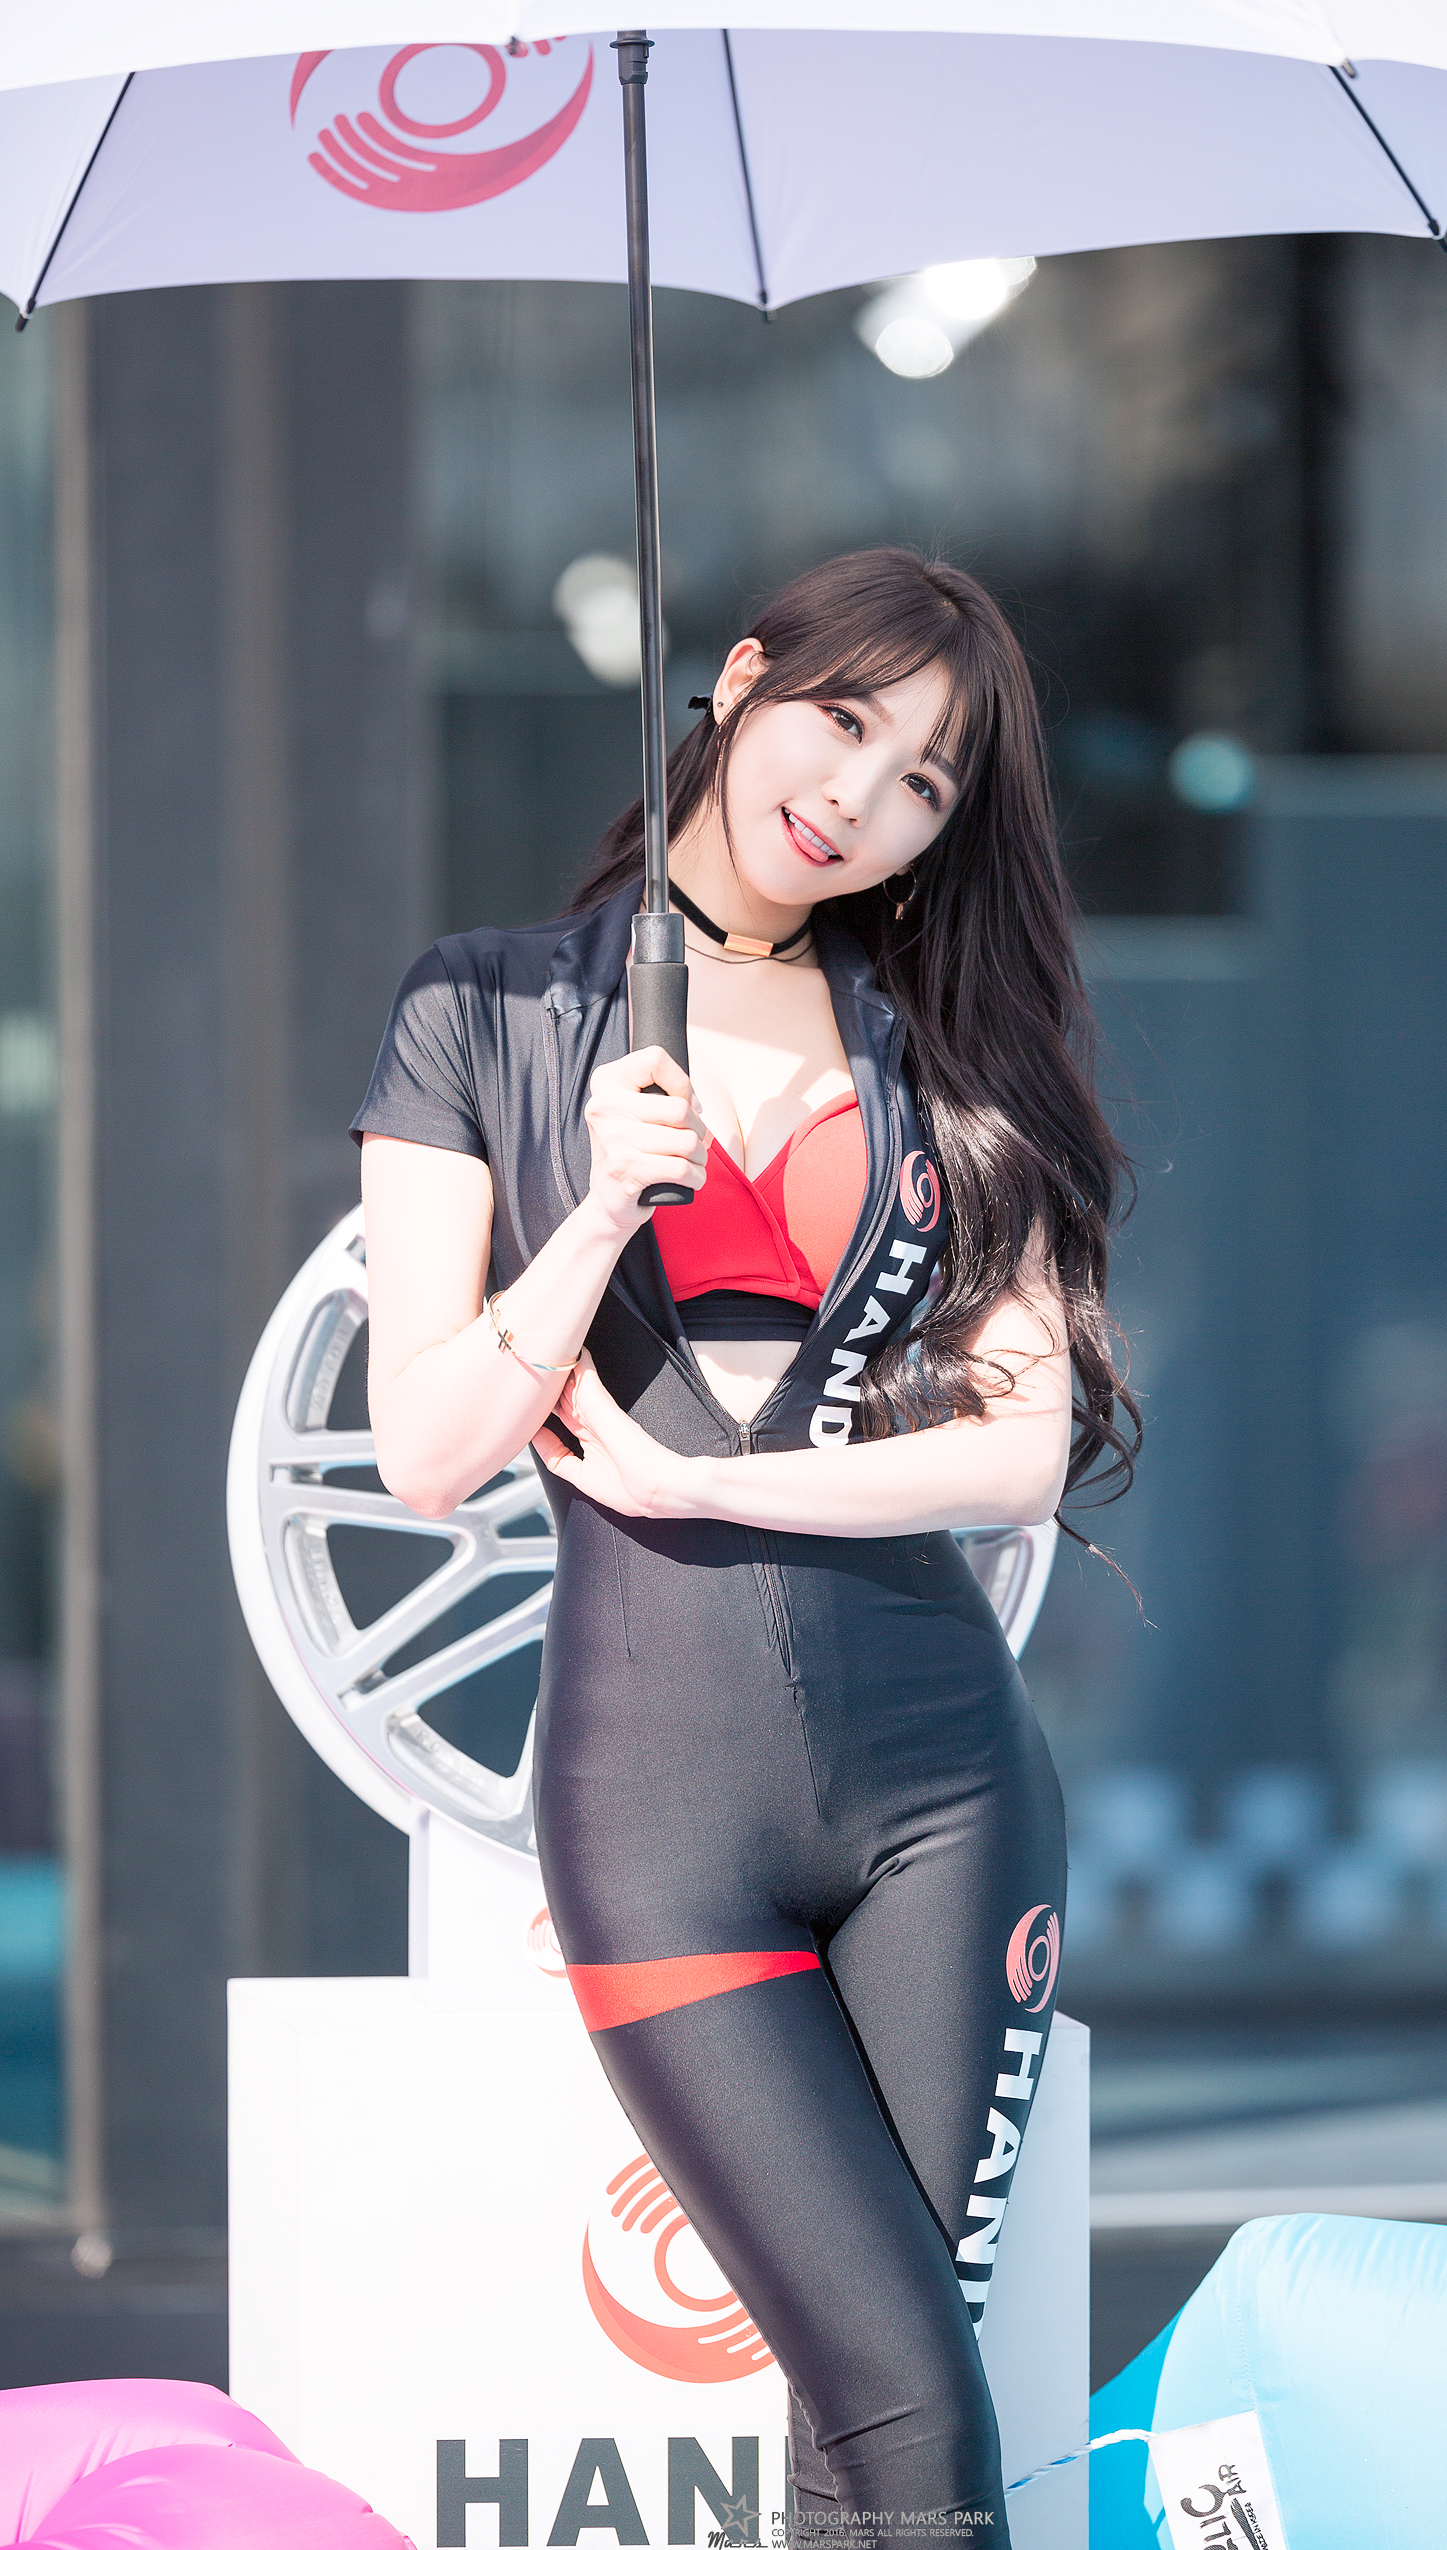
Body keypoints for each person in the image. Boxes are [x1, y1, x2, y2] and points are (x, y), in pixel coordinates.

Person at [352, 548, 1139, 2549]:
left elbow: (1020, 1450)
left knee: (868, 2422)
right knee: (906, 2410)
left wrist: (714, 1488)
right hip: (663, 1805)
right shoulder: (480, 1008)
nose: (857, 797)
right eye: (843, 722)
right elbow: (429, 1447)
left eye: (923, 783)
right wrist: (597, 1215)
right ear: (742, 678)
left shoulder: (947, 1041)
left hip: (949, 1792)